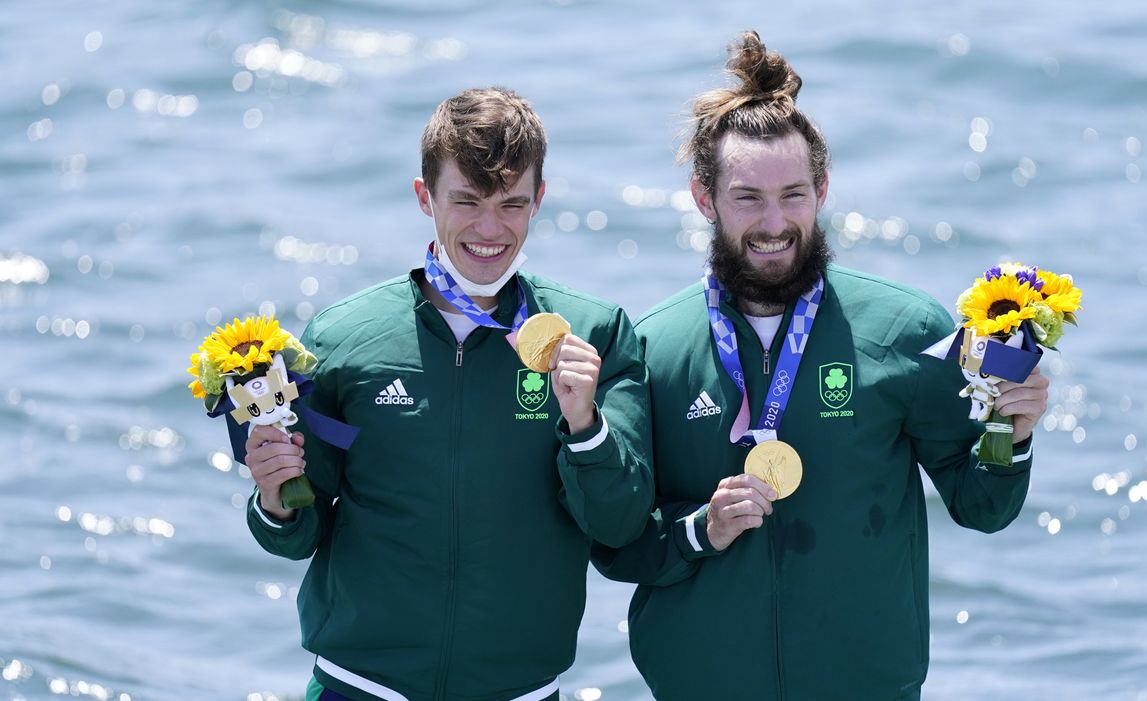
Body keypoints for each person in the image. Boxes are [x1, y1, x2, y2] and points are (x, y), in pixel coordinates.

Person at [592, 32, 1050, 701]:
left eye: (793, 194)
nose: (773, 221)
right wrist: (701, 528)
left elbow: (981, 505)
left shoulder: (907, 330)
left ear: (823, 188)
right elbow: (617, 543)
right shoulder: (651, 347)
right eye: (747, 196)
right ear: (702, 197)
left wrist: (1014, 428)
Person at [242, 87, 654, 701]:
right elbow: (297, 533)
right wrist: (274, 498)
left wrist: (585, 425)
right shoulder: (343, 337)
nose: (490, 231)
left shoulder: (594, 334)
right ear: (424, 196)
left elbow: (619, 526)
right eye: (466, 201)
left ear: (539, 199)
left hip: (521, 690)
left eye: (512, 204)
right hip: (359, 687)